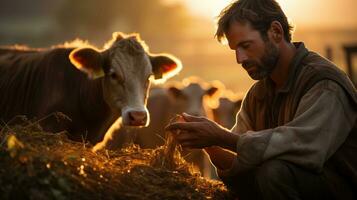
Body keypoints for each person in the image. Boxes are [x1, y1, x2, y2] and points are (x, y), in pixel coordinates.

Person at [165, 0, 357, 199]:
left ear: (275, 32)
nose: (240, 58)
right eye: (235, 50)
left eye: (246, 46)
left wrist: (221, 137)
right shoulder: (258, 94)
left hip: (339, 190)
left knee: (274, 172)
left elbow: (305, 148)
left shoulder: (324, 83)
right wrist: (208, 143)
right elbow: (239, 156)